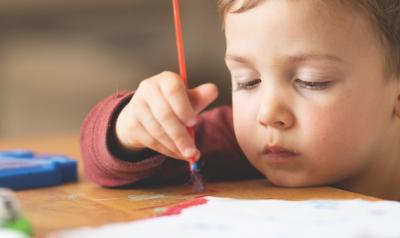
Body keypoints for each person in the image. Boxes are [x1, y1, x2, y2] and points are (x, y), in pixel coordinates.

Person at [81, 0, 400, 200]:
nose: (268, 113)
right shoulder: (232, 142)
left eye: (311, 81)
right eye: (248, 82)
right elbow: (105, 164)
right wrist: (132, 128)